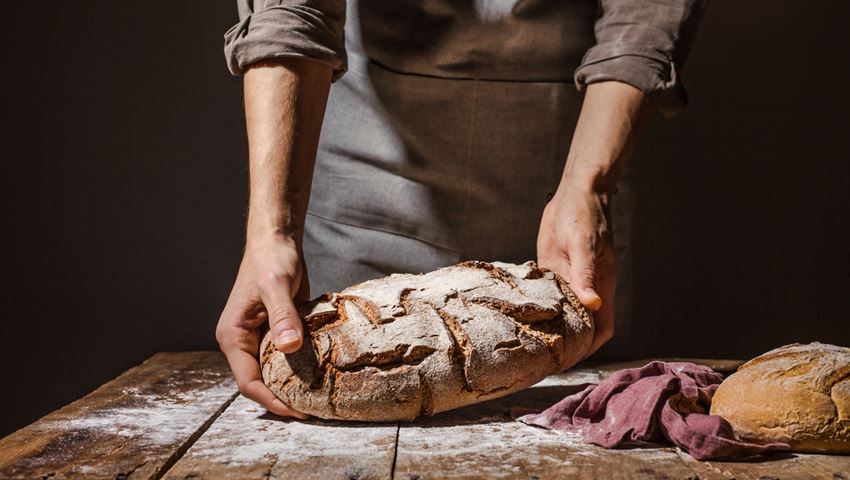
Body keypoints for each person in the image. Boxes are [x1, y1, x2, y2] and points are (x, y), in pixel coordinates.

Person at [215, 0, 707, 418]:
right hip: (371, 182)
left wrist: (589, 185)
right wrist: (272, 231)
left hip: (568, 176)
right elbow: (291, 8)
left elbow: (645, 10)